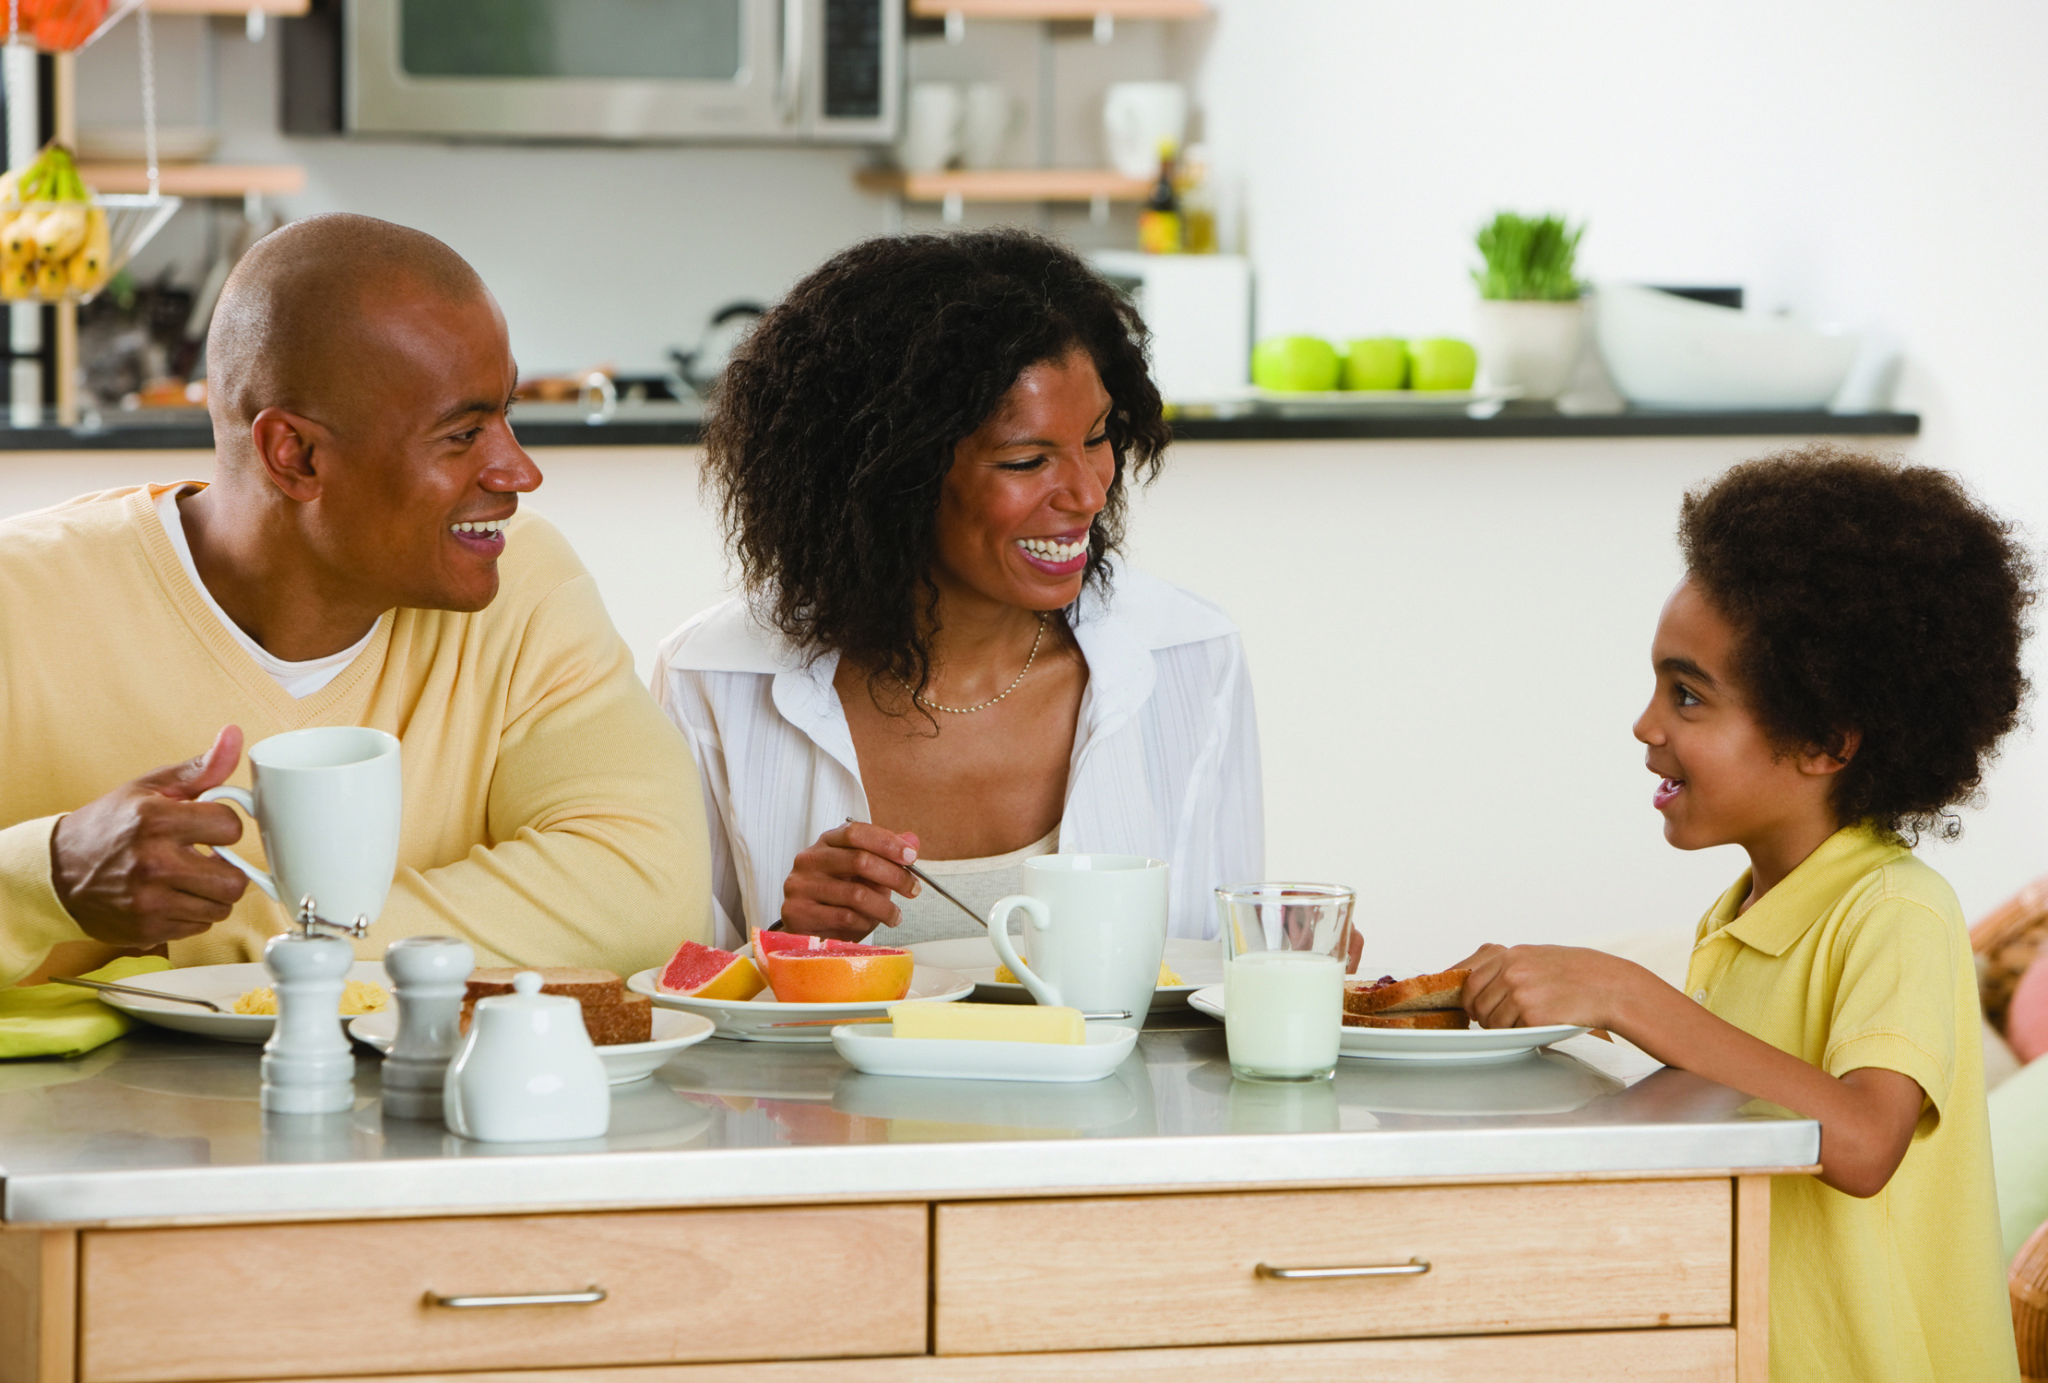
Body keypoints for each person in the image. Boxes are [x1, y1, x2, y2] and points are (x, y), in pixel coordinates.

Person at [0, 213, 712, 990]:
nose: (519, 471)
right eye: (463, 434)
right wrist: (53, 877)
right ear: (295, 454)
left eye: (508, 414)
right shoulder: (20, 597)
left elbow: (648, 895)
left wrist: (225, 934)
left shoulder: (524, 581)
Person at [1455, 447, 2026, 1382]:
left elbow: (1861, 1139)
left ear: (1824, 739)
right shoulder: (1739, 916)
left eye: (1687, 694)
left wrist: (1629, 994)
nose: (1647, 724)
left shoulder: (1897, 911)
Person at [654, 228, 1261, 948]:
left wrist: (1286, 970)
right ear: (891, 481)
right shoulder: (711, 681)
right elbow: (674, 1011)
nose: (1087, 493)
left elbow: (1221, 984)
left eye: (1097, 439)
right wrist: (789, 940)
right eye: (1027, 459)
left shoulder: (1192, 660)